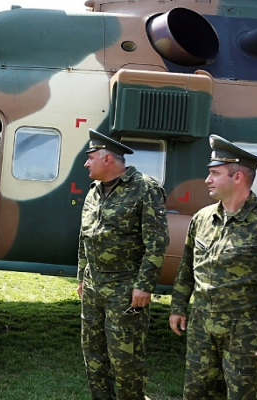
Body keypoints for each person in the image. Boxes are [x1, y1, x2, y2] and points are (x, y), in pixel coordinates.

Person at [169, 134, 257, 399]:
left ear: (237, 177)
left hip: (246, 330)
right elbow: (187, 268)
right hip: (202, 325)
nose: (207, 180)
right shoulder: (202, 218)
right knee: (197, 394)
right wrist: (178, 306)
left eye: (215, 173)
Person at [77, 129, 169, 400]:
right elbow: (85, 236)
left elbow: (157, 242)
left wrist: (144, 286)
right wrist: (82, 275)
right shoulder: (94, 190)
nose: (86, 163)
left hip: (125, 287)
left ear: (107, 159)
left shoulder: (145, 188)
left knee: (125, 358)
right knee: (93, 354)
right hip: (94, 285)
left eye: (90, 157)